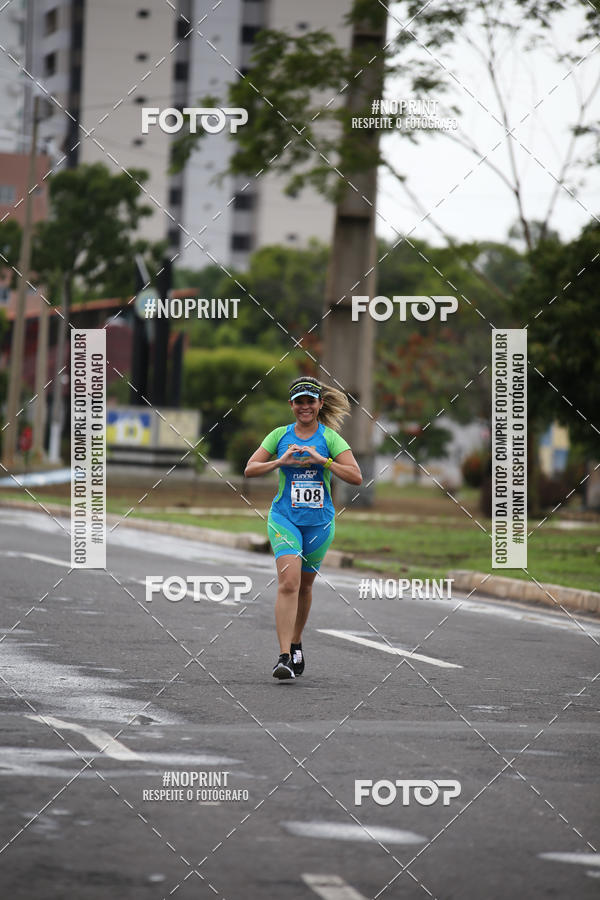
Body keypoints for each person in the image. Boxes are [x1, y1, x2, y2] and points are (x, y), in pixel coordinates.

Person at [244, 376, 362, 680]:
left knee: (305, 587)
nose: (305, 407)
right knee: (288, 583)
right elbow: (250, 468)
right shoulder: (279, 435)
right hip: (285, 518)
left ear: (320, 404)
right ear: (292, 405)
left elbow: (356, 477)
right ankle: (284, 656)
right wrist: (279, 461)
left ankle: (296, 641)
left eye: (311, 401)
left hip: (320, 523)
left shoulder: (330, 439)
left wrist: (322, 461)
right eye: (299, 401)